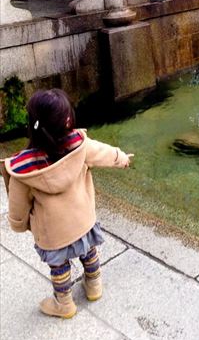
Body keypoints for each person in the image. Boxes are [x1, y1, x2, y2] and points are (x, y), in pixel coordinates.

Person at [4, 89, 133, 319]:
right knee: (89, 251)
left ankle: (63, 303)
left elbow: (17, 205)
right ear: (67, 120)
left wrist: (18, 224)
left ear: (33, 125)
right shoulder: (80, 146)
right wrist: (122, 158)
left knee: (59, 265)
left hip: (53, 233)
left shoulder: (23, 169)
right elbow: (105, 153)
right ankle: (93, 285)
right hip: (83, 220)